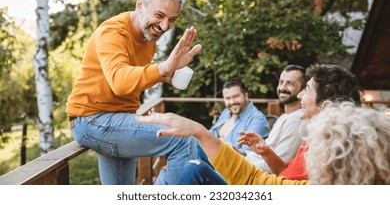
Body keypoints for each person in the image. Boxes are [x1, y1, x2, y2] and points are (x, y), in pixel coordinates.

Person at [137, 64, 386, 185]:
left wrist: (200, 132)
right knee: (193, 155)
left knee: (193, 165)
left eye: (305, 89)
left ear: (327, 105)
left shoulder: (332, 151)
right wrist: (266, 152)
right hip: (260, 179)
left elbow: (266, 183)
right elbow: (287, 176)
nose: (298, 95)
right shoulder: (316, 140)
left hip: (257, 183)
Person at [65, 0, 202, 185]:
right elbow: (119, 82)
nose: (165, 26)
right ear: (140, 4)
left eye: (172, 19)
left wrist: (165, 74)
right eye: (159, 15)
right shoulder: (113, 33)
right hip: (93, 119)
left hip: (119, 118)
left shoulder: (147, 37)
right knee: (182, 140)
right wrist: (162, 67)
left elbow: (134, 74)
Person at [154, 78, 270, 184]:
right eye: (228, 98)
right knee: (166, 172)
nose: (232, 102)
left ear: (246, 95)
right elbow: (209, 136)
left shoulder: (256, 120)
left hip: (227, 170)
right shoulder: (227, 113)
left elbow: (247, 159)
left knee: (176, 173)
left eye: (236, 97)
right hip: (207, 159)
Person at [244, 64, 306, 173]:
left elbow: (279, 166)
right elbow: (265, 151)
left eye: (290, 84)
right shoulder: (284, 117)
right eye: (281, 82)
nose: (282, 88)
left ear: (303, 89)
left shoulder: (297, 120)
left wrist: (239, 164)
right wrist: (241, 155)